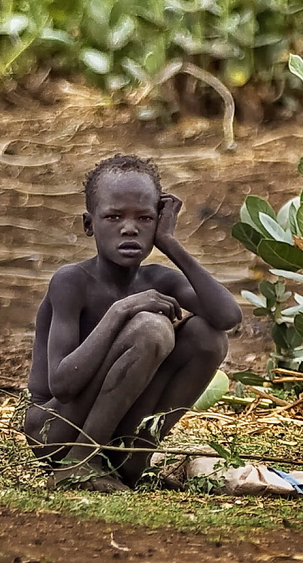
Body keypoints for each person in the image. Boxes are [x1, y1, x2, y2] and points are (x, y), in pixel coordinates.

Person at [23, 154, 240, 491]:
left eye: (145, 218)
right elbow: (62, 385)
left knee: (208, 337)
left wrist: (170, 244)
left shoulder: (159, 280)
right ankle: (81, 464)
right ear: (88, 224)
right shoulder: (71, 282)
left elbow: (227, 318)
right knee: (151, 328)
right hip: (54, 428)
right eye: (113, 217)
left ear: (159, 223)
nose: (129, 228)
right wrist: (121, 311)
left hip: (115, 430)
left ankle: (132, 459)